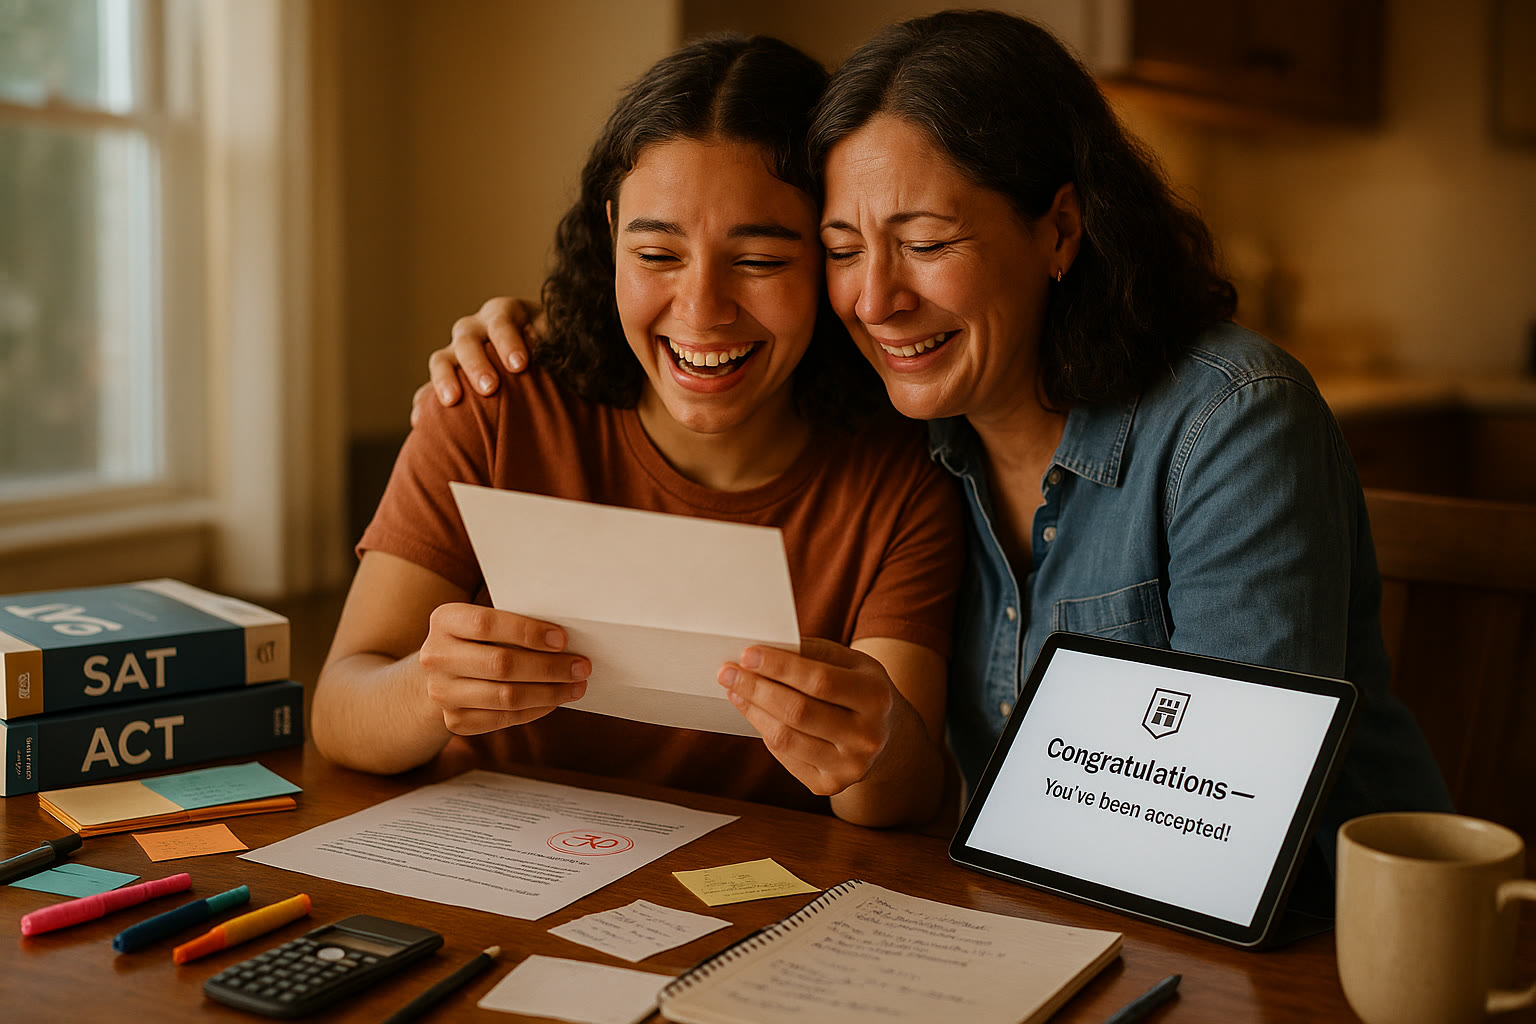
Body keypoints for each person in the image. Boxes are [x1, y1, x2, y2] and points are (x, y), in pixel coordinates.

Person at [420, 11, 1453, 894]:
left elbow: (1219, 838)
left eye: (925, 241)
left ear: (1059, 231)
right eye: (840, 249)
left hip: (1293, 949)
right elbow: (709, 320)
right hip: (999, 912)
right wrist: (534, 329)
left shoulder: (1230, 421)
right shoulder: (904, 430)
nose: (875, 299)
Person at [314, 35, 965, 830]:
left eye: (759, 261)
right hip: (492, 876)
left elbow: (898, 798)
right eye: (657, 253)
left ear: (831, 257)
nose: (700, 310)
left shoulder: (900, 478)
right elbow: (341, 711)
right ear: (610, 230)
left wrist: (875, 748)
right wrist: (427, 688)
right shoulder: (494, 403)